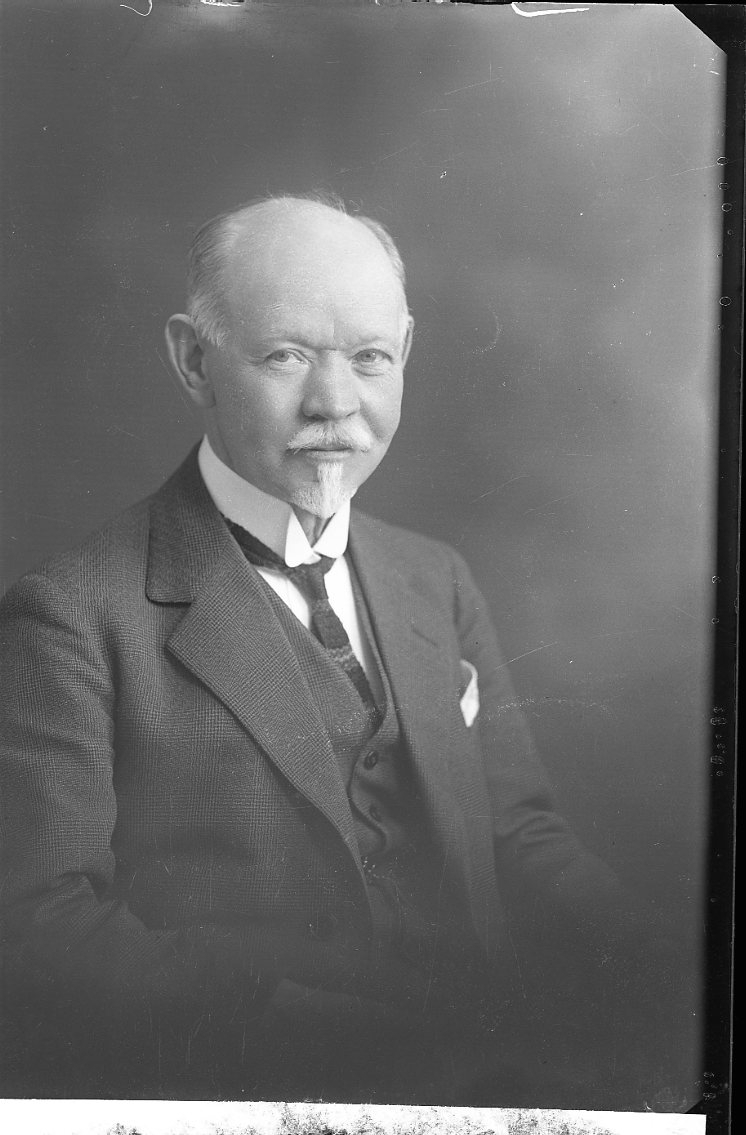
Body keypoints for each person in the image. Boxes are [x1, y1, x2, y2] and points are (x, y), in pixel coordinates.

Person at [0, 195, 690, 1106]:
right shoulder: (70, 614)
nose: (335, 404)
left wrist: (669, 968)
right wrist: (339, 1047)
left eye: (369, 358)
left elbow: (518, 834)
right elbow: (41, 927)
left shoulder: (435, 578)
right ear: (194, 361)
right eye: (285, 355)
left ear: (404, 353)